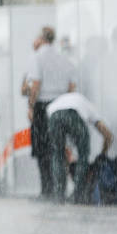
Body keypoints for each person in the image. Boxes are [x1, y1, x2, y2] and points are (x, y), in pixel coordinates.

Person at [23, 27, 76, 199]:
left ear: (40, 38)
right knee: (58, 147)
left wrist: (31, 106)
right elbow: (71, 86)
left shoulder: (37, 57)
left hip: (42, 106)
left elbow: (36, 84)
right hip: (61, 104)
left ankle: (47, 189)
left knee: (42, 148)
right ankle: (59, 187)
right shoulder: (63, 58)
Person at [46, 92, 113, 204]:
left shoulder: (59, 102)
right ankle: (79, 195)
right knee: (83, 155)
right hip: (73, 115)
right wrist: (103, 153)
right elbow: (107, 134)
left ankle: (59, 195)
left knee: (57, 156)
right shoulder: (88, 106)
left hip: (53, 116)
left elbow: (63, 145)